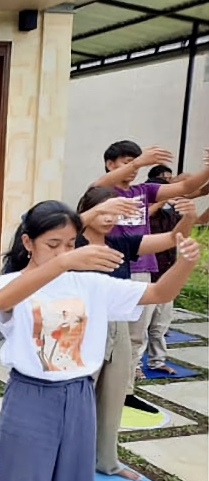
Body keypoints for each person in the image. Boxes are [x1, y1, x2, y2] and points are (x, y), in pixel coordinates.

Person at [0, 200, 199, 481]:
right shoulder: (11, 283)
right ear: (28, 242)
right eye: (53, 244)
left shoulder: (91, 284)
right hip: (30, 400)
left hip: (80, 398)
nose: (64, 252)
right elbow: (3, 300)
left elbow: (158, 294)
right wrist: (63, 263)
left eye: (70, 244)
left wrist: (185, 262)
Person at [76, 188, 196, 480]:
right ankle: (67, 460)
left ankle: (106, 460)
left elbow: (170, 239)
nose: (108, 219)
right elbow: (59, 226)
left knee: (113, 396)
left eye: (113, 213)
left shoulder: (121, 242)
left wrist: (189, 218)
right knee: (76, 399)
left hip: (115, 326)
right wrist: (96, 210)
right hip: (78, 327)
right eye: (102, 211)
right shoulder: (69, 242)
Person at [88, 142, 209, 404]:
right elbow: (97, 185)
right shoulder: (102, 193)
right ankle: (94, 389)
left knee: (134, 336)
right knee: (102, 335)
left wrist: (207, 170)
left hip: (142, 267)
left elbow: (185, 188)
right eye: (125, 162)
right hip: (110, 269)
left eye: (135, 162)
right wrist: (141, 162)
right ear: (110, 163)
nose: (132, 169)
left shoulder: (145, 190)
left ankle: (125, 390)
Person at [147, 165, 198, 374]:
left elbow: (180, 236)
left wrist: (189, 216)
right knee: (139, 329)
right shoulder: (143, 216)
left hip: (166, 275)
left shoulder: (170, 216)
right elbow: (146, 215)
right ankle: (133, 369)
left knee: (160, 326)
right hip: (146, 276)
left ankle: (157, 361)